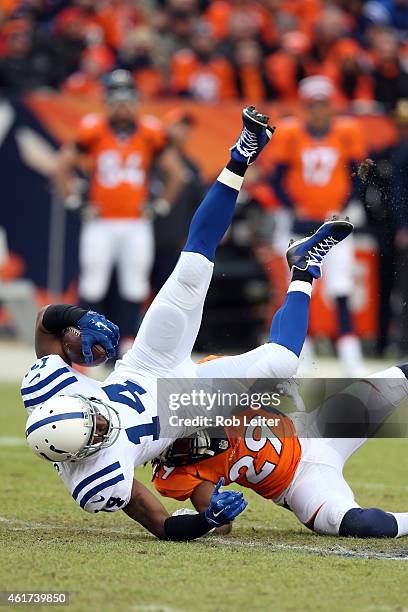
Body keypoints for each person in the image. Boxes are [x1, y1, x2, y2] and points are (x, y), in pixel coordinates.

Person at [22, 106, 352, 541]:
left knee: (193, 265)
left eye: (94, 418)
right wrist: (207, 520)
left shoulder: (47, 389)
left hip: (145, 366)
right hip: (184, 406)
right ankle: (304, 268)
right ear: (77, 453)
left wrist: (76, 317)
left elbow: (46, 323)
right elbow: (160, 524)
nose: (103, 423)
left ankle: (242, 153)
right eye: (97, 433)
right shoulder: (95, 480)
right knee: (282, 363)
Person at [152, 367, 408, 540]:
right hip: (299, 484)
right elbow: (220, 522)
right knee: (359, 525)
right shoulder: (176, 474)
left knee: (397, 380)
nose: (190, 440)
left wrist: (270, 381)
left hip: (313, 427)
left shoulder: (202, 388)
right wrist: (210, 519)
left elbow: (266, 364)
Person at [53, 69, 184, 355]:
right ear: (107, 100)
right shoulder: (94, 129)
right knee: (93, 283)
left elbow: (177, 173)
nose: (122, 104)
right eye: (116, 97)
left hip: (136, 223)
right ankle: (85, 341)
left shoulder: (150, 131)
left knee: (135, 284)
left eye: (127, 97)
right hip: (101, 222)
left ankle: (125, 345)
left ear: (136, 100)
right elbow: (61, 166)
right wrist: (75, 200)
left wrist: (159, 204)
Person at [273, 75, 366, 376]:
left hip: (334, 226)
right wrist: (290, 204)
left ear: (331, 107)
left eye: (323, 105)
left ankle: (350, 358)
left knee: (341, 289)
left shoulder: (345, 133)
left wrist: (344, 204)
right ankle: (300, 353)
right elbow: (275, 179)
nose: (318, 111)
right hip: (300, 226)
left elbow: (358, 175)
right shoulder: (291, 134)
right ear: (305, 107)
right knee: (298, 288)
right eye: (313, 105)